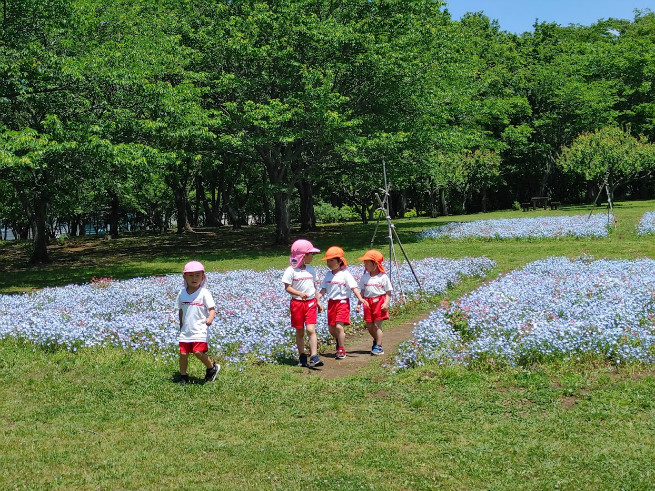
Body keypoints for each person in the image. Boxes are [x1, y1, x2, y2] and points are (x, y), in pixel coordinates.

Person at [317, 246, 366, 359]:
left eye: (332, 260)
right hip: (331, 303)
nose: (329, 263)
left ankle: (341, 349)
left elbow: (354, 287)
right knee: (331, 328)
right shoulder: (328, 275)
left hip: (343, 302)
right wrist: (318, 297)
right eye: (328, 261)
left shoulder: (345, 274)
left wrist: (360, 298)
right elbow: (324, 288)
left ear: (339, 261)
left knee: (339, 326)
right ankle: (339, 341)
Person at [282, 239, 324, 368]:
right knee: (300, 331)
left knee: (311, 329)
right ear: (303, 256)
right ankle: (302, 355)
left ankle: (314, 356)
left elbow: (314, 288)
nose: (312, 256)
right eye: (311, 254)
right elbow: (287, 287)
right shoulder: (291, 271)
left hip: (310, 303)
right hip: (297, 304)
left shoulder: (311, 270)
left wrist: (318, 301)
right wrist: (299, 293)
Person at [176, 260, 220, 385]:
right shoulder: (182, 293)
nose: (194, 278)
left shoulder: (204, 293)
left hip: (200, 329)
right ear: (184, 276)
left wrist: (210, 319)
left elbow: (212, 309)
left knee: (197, 352)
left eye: (197, 275)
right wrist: (181, 324)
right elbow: (181, 310)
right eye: (190, 275)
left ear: (203, 277)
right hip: (186, 329)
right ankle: (183, 376)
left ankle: (212, 368)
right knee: (183, 353)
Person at [356, 250, 392, 355]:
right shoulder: (365, 277)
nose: (365, 265)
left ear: (375, 264)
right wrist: (358, 304)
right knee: (369, 325)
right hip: (367, 302)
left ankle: (379, 346)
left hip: (379, 302)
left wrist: (386, 303)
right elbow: (362, 292)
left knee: (377, 325)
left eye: (367, 263)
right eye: (364, 263)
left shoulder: (383, 277)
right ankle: (377, 340)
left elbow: (388, 292)